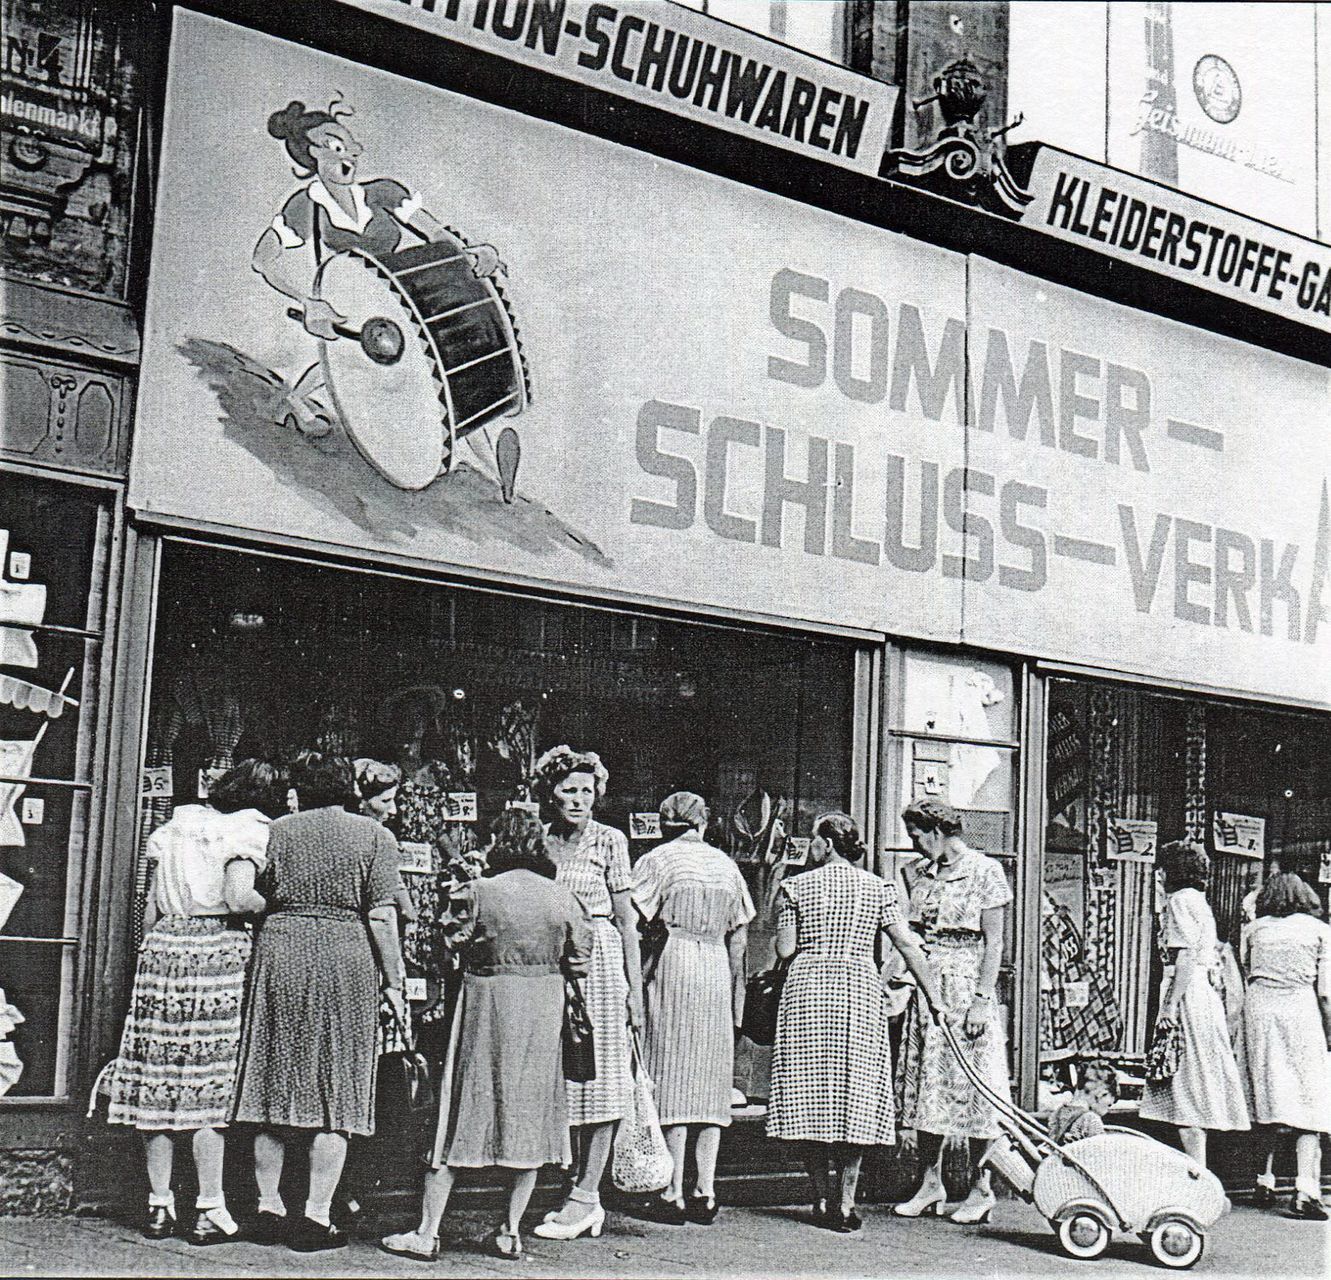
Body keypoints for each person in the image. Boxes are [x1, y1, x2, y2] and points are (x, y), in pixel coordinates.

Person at [254, 100, 519, 500]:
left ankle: (500, 480)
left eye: (349, 145)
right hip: (349, 300)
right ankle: (295, 400)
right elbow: (263, 258)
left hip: (399, 296)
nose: (349, 154)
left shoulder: (382, 192)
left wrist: (469, 252)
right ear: (312, 153)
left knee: (440, 373)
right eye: (335, 146)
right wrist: (308, 302)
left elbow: (434, 233)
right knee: (345, 362)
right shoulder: (305, 205)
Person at [381, 811, 593, 1261]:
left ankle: (427, 1232)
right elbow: (579, 961)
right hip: (543, 1007)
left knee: (461, 1107)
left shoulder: (479, 891)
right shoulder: (563, 896)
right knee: (530, 1113)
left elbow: (448, 944)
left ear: (498, 842)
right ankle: (509, 1231)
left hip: (486, 1003)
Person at [230, 752, 406, 1252]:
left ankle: (268, 1207)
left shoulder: (274, 831)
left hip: (281, 949)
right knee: (339, 1084)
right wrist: (394, 982)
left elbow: (255, 893)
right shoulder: (375, 836)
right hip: (345, 955)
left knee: (271, 1076)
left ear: (299, 791)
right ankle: (316, 1216)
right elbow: (382, 915)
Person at [105, 760, 286, 1244]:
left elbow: (150, 905)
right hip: (216, 949)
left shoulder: (177, 827)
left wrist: (154, 950)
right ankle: (209, 1207)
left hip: (164, 948)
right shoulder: (246, 829)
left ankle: (159, 1205)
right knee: (208, 1080)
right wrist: (275, 908)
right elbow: (239, 896)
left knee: (160, 1078)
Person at [767, 812, 944, 1231]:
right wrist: (934, 997)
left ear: (827, 844)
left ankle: (819, 1198)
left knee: (808, 1093)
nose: (811, 846)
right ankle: (845, 1204)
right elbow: (907, 945)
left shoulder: (796, 886)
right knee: (856, 1094)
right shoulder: (879, 888)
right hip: (858, 991)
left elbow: (785, 949)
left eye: (814, 839)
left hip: (808, 991)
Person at [529, 746, 644, 1241]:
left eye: (587, 790)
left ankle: (588, 1194)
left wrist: (635, 992)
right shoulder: (541, 839)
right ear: (551, 794)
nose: (579, 799)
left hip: (599, 963)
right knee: (562, 1075)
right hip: (552, 963)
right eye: (568, 790)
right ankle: (570, 1182)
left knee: (603, 1077)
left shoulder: (610, 840)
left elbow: (627, 921)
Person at [631, 792, 755, 1224]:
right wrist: (735, 994)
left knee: (671, 1072)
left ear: (666, 823)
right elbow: (740, 938)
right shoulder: (727, 865)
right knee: (710, 1080)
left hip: (675, 960)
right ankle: (706, 1189)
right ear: (702, 823)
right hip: (715, 965)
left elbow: (634, 919)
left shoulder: (657, 860)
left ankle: (672, 1191)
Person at [894, 800, 1015, 1225]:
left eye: (916, 835)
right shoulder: (922, 875)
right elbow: (912, 935)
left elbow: (994, 942)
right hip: (929, 985)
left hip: (967, 985)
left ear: (937, 830)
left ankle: (981, 1188)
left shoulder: (985, 871)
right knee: (930, 1084)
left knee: (976, 1086)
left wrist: (982, 999)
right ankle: (931, 1183)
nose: (914, 843)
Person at [1138, 841, 1249, 1168]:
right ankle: (1196, 1168)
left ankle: (1198, 1172)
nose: (1159, 875)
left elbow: (1184, 957)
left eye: (1162, 869)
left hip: (1187, 993)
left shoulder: (1180, 901)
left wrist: (1170, 1006)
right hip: (1200, 993)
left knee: (1186, 1082)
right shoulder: (1197, 900)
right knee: (1192, 1082)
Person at [1239, 872, 1331, 1219]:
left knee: (1267, 1096)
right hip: (1299, 1010)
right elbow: (1326, 992)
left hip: (1259, 1010)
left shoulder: (1254, 930)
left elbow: (1247, 969)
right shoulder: (1319, 931)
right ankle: (1306, 1190)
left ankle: (1263, 1181)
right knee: (1310, 1100)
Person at [1048, 1062, 1117, 1144]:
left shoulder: (1060, 1111)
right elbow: (1101, 1148)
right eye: (1109, 1105)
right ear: (1102, 1094)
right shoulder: (1091, 1119)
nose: (1107, 1110)